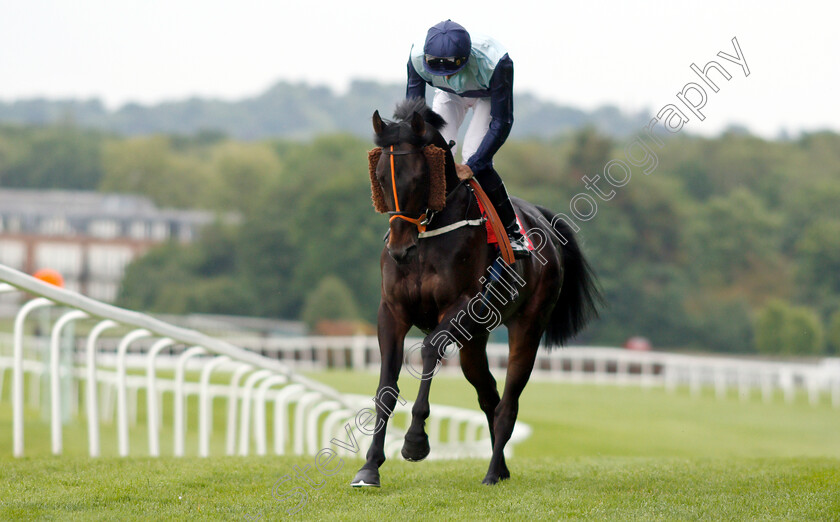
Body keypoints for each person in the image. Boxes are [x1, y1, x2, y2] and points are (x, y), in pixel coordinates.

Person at [406, 20, 530, 259]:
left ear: (467, 58)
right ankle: (414, 221)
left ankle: (513, 231)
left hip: (487, 96)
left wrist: (473, 165)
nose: (447, 75)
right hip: (449, 96)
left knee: (474, 156)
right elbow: (415, 115)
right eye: (438, 68)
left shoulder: (496, 62)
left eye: (453, 69)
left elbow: (502, 122)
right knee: (434, 155)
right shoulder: (415, 57)